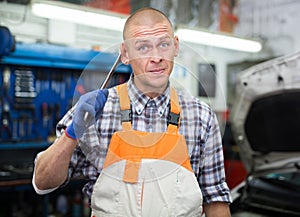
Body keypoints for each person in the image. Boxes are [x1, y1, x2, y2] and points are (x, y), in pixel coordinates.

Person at [32, 7, 232, 217]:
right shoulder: (96, 111)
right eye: (143, 47)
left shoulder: (201, 116)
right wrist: (72, 133)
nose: (156, 57)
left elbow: (215, 200)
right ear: (125, 54)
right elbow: (42, 183)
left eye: (163, 45)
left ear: (175, 46)